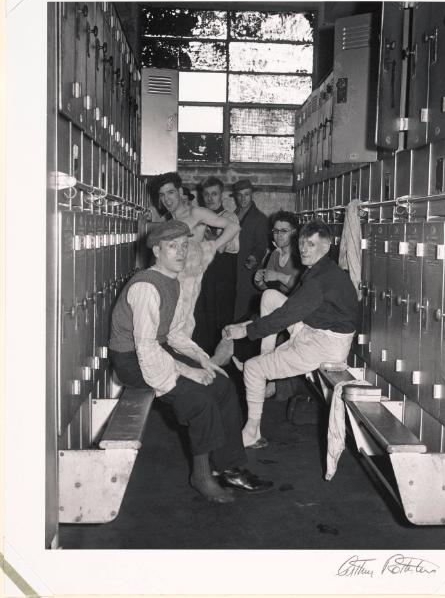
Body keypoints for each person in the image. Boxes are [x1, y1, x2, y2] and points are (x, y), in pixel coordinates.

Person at [109, 220, 272, 503]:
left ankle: (229, 466)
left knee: (221, 383)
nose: (181, 252)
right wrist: (186, 371)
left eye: (184, 245)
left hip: (153, 350)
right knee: (199, 400)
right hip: (131, 360)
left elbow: (172, 333)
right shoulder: (146, 287)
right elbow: (145, 347)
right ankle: (201, 476)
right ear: (157, 250)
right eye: (173, 247)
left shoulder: (170, 280)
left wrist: (202, 359)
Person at [223, 220, 359, 449]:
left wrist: (245, 331)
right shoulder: (320, 269)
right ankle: (265, 358)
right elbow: (289, 308)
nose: (304, 249)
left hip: (325, 344)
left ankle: (252, 432)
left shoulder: (318, 280)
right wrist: (248, 324)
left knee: (253, 369)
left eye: (312, 245)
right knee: (269, 297)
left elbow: (287, 315)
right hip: (316, 329)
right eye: (302, 243)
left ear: (326, 247)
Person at [152, 172, 239, 338]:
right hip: (173, 281)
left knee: (185, 327)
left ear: (179, 192)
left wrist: (211, 247)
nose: (167, 199)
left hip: (190, 282)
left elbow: (233, 227)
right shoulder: (170, 222)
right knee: (170, 325)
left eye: (170, 192)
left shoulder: (196, 213)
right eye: (162, 195)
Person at [253, 210, 303, 399]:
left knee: (274, 333)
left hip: (297, 308)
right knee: (249, 322)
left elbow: (304, 288)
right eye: (275, 231)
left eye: (284, 231)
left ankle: (269, 379)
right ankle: (258, 363)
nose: (279, 235)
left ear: (294, 233)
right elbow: (268, 287)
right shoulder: (275, 254)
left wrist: (280, 276)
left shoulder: (300, 254)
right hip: (277, 306)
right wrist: (259, 280)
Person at [192, 177, 239, 356]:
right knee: (201, 318)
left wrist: (207, 233)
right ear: (202, 197)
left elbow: (226, 247)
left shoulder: (229, 217)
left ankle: (220, 362)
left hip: (223, 275)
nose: (210, 198)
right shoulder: (198, 216)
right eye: (207, 194)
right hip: (203, 273)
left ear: (221, 195)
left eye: (214, 194)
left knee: (221, 319)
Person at [232, 179, 268, 362]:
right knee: (230, 311)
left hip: (247, 273)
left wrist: (254, 258)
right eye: (240, 195)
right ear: (236, 197)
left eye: (247, 194)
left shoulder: (260, 218)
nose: (243, 198)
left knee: (244, 313)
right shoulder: (232, 215)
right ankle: (231, 355)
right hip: (231, 272)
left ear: (252, 194)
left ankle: (245, 356)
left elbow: (262, 245)